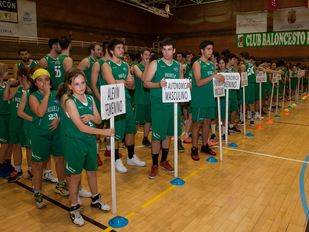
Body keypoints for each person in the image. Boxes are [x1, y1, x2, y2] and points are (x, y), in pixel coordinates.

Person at [60, 68, 112, 226]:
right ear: (70, 86)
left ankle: (95, 199)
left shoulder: (89, 98)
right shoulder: (69, 101)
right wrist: (104, 132)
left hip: (90, 142)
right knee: (75, 177)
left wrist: (91, 116)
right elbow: (81, 127)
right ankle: (74, 207)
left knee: (92, 172)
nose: (81, 86)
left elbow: (98, 118)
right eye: (76, 84)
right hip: (75, 143)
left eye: (83, 83)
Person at [102, 39, 145, 173]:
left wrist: (129, 83)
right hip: (114, 103)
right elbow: (111, 83)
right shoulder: (106, 65)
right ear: (111, 50)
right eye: (119, 48)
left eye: (122, 48)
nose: (122, 50)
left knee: (131, 129)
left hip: (127, 100)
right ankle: (116, 159)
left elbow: (131, 85)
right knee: (117, 132)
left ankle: (131, 156)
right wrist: (123, 81)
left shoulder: (126, 65)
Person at [144, 37, 184, 179]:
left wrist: (186, 86)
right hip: (159, 106)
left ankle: (163, 161)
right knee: (156, 137)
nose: (167, 53)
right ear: (162, 51)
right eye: (164, 50)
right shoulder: (155, 64)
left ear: (173, 51)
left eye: (169, 50)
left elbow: (181, 84)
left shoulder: (178, 66)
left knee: (168, 135)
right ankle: (154, 164)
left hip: (173, 106)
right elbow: (146, 83)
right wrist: (158, 85)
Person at [29, 68, 68, 208]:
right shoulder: (33, 96)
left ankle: (61, 185)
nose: (44, 82)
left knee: (60, 159)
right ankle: (38, 193)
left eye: (46, 79)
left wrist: (58, 118)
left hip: (57, 134)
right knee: (38, 165)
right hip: (40, 135)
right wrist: (46, 95)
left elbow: (64, 111)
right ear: (35, 83)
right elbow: (40, 112)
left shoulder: (56, 94)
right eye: (40, 80)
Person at [190, 40, 224, 161]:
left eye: (211, 49)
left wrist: (220, 79)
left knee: (207, 123)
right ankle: (194, 148)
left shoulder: (211, 64)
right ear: (202, 50)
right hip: (199, 99)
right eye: (208, 49)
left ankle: (204, 145)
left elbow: (213, 80)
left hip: (210, 98)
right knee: (197, 124)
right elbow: (198, 82)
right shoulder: (197, 64)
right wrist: (213, 76)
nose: (211, 51)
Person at [3, 69, 32, 182]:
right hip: (15, 122)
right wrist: (8, 85)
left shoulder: (31, 91)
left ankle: (30, 170)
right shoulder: (18, 88)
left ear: (25, 77)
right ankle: (18, 169)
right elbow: (6, 98)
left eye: (21, 77)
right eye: (19, 77)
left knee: (29, 147)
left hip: (26, 123)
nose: (19, 79)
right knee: (16, 145)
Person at [133, 48, 152, 147]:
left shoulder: (152, 67)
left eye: (149, 55)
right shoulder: (136, 67)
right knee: (136, 122)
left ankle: (145, 138)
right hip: (139, 98)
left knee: (148, 120)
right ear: (141, 55)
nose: (147, 57)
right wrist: (148, 65)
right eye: (146, 55)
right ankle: (129, 139)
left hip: (149, 98)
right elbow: (143, 78)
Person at [0, 63, 14, 178]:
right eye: (6, 71)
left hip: (9, 116)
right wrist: (9, 85)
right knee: (4, 143)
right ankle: (0, 166)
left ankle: (7, 163)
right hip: (2, 117)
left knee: (10, 142)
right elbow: (5, 97)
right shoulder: (4, 85)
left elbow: (9, 97)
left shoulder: (4, 84)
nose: (7, 73)